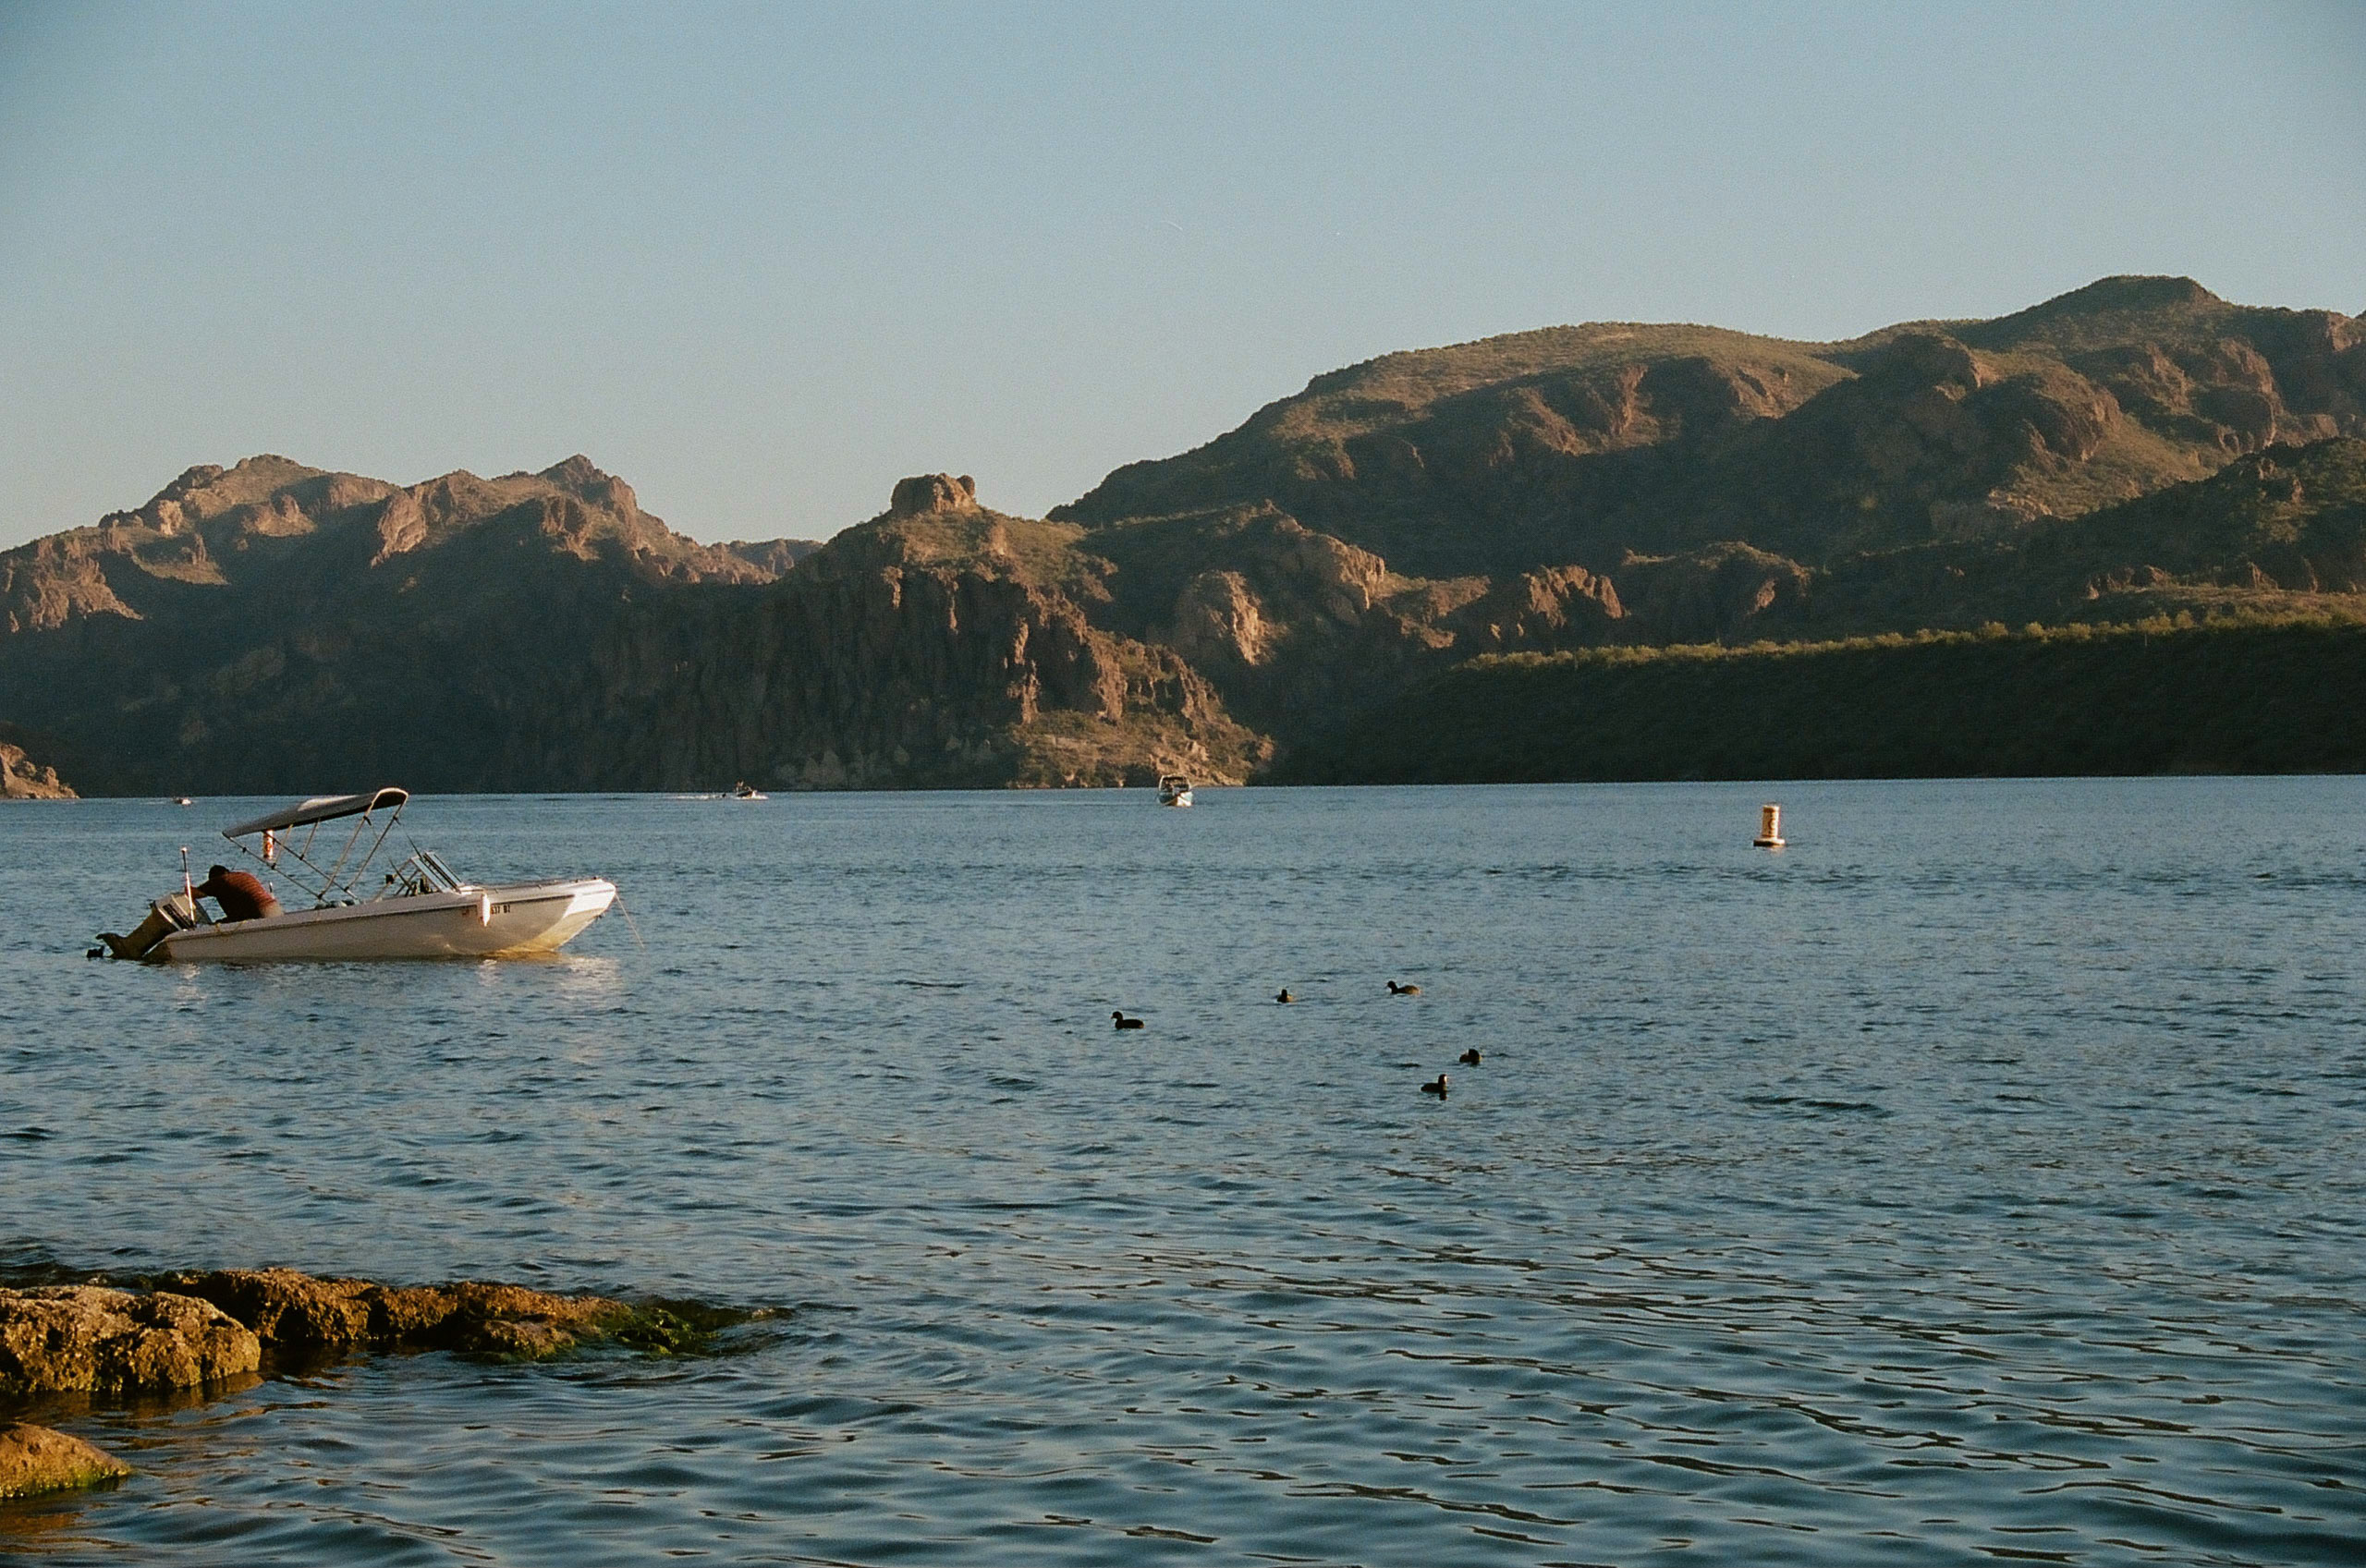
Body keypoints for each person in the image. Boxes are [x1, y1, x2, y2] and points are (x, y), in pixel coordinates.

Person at [195, 863, 283, 922]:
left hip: (261, 914)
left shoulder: (221, 880)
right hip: (276, 909)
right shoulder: (243, 875)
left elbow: (194, 893)